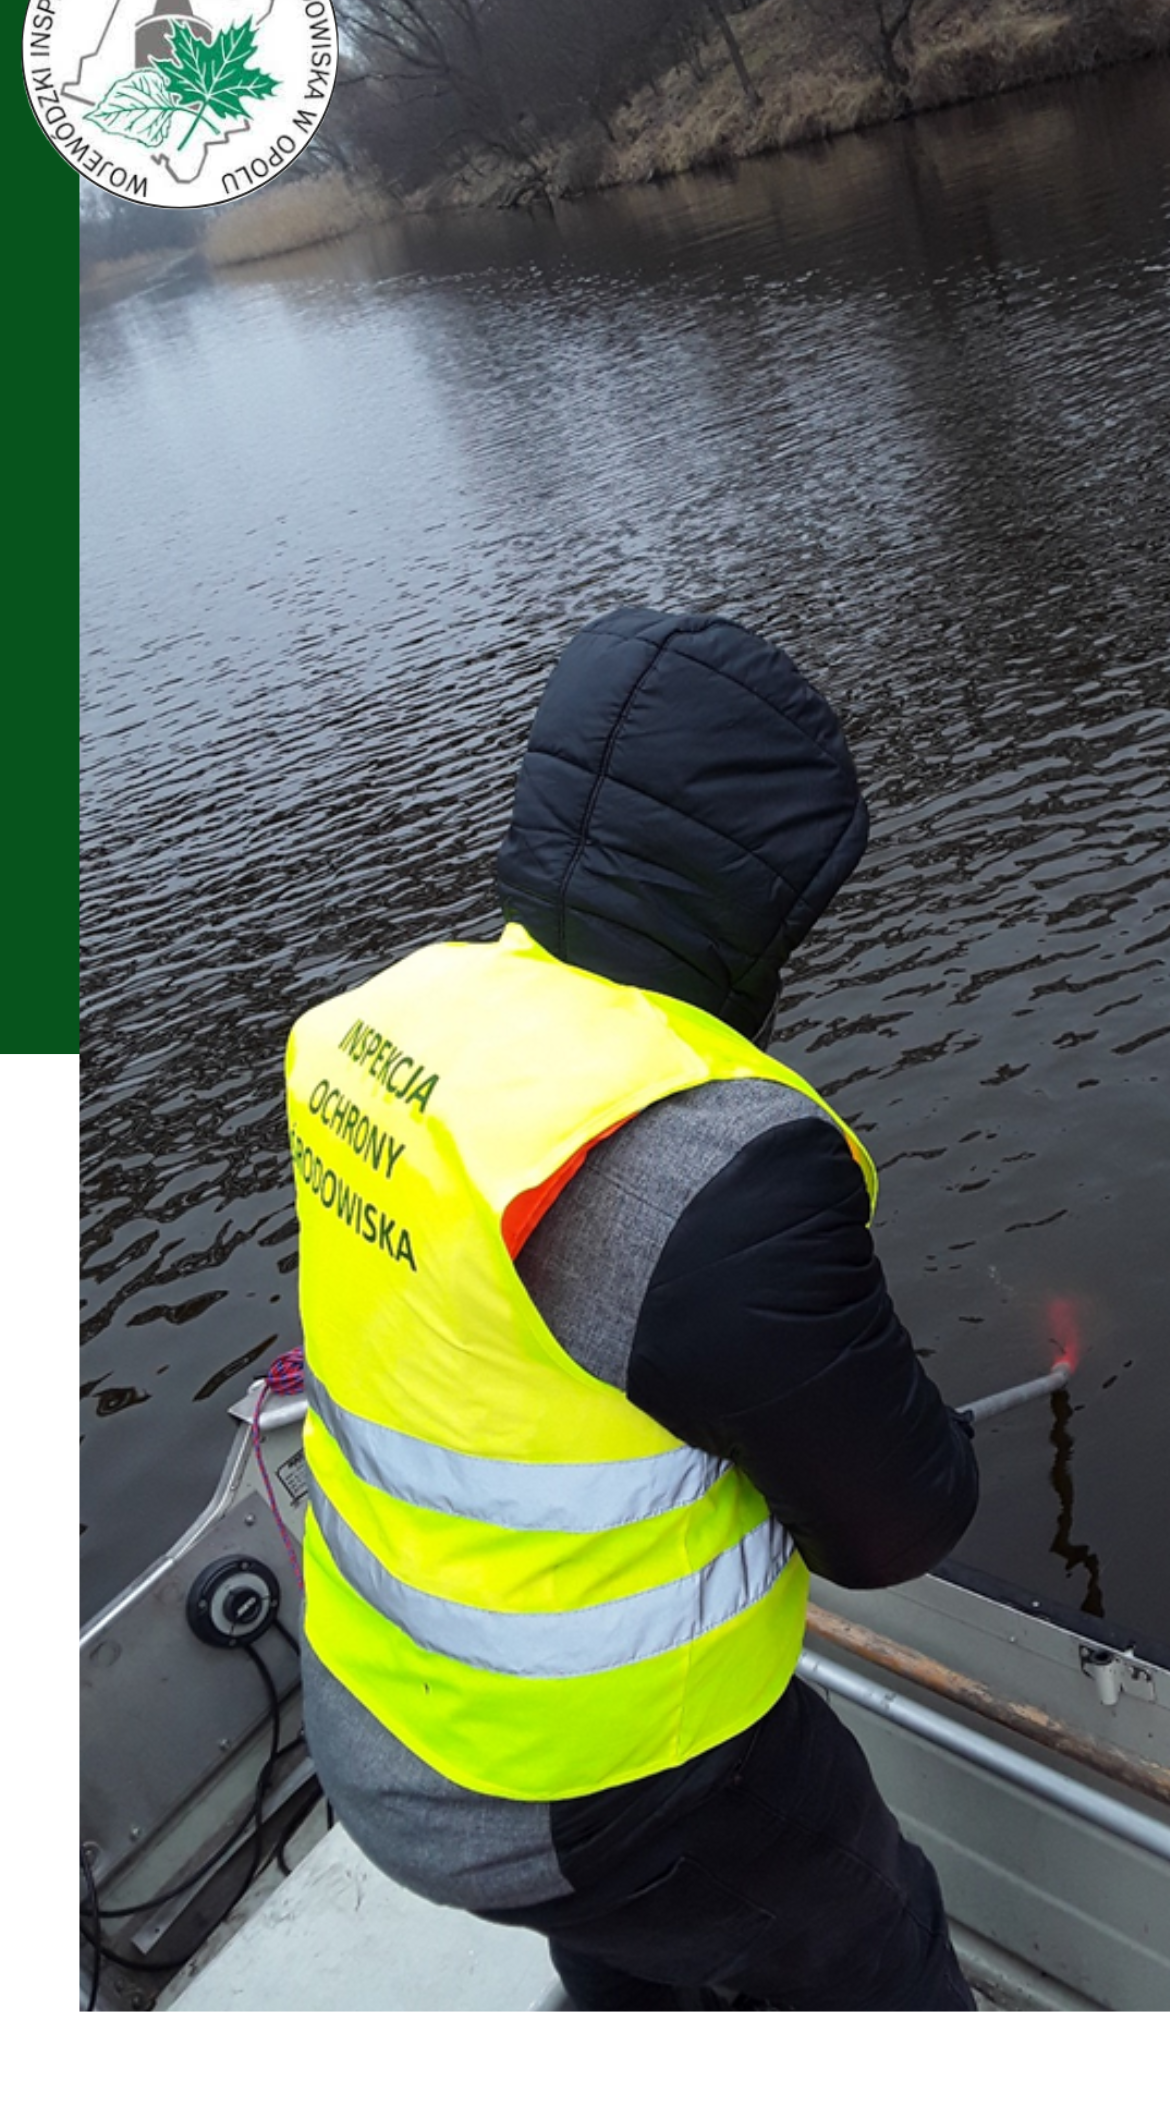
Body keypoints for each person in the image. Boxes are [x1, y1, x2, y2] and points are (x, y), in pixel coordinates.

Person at [290, 606, 981, 2010]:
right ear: (765, 889)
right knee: (874, 1944)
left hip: (370, 1709)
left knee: (637, 1960)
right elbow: (898, 1527)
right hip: (581, 1788)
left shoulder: (382, 1026)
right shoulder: (719, 1169)